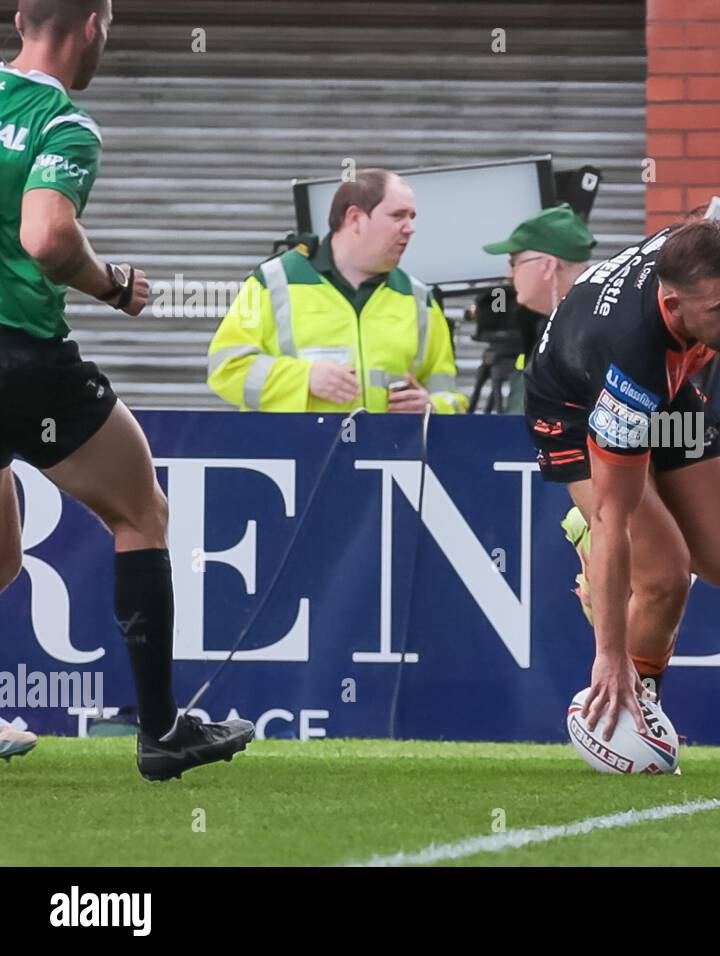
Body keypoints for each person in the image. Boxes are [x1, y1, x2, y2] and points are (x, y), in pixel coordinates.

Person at [0, 0, 253, 779]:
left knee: (2, 557)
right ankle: (160, 730)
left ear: (18, 23)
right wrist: (111, 285)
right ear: (92, 25)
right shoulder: (62, 123)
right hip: (22, 359)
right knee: (140, 509)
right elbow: (46, 235)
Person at [525, 218, 720, 736]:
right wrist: (611, 654)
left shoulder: (709, 252)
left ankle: (633, 570)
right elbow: (612, 513)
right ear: (673, 306)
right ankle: (632, 707)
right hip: (579, 410)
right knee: (663, 577)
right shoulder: (631, 358)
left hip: (670, 391)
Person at [208, 168, 467, 414]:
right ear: (355, 218)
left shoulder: (418, 298)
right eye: (397, 216)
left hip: (383, 457)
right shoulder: (271, 282)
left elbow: (450, 396)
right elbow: (226, 370)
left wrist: (431, 407)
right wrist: (304, 378)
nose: (410, 228)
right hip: (296, 453)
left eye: (412, 217)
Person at [481, 203, 595, 412]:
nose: (509, 274)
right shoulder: (556, 325)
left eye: (515, 261)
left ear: (548, 265)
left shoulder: (591, 332)